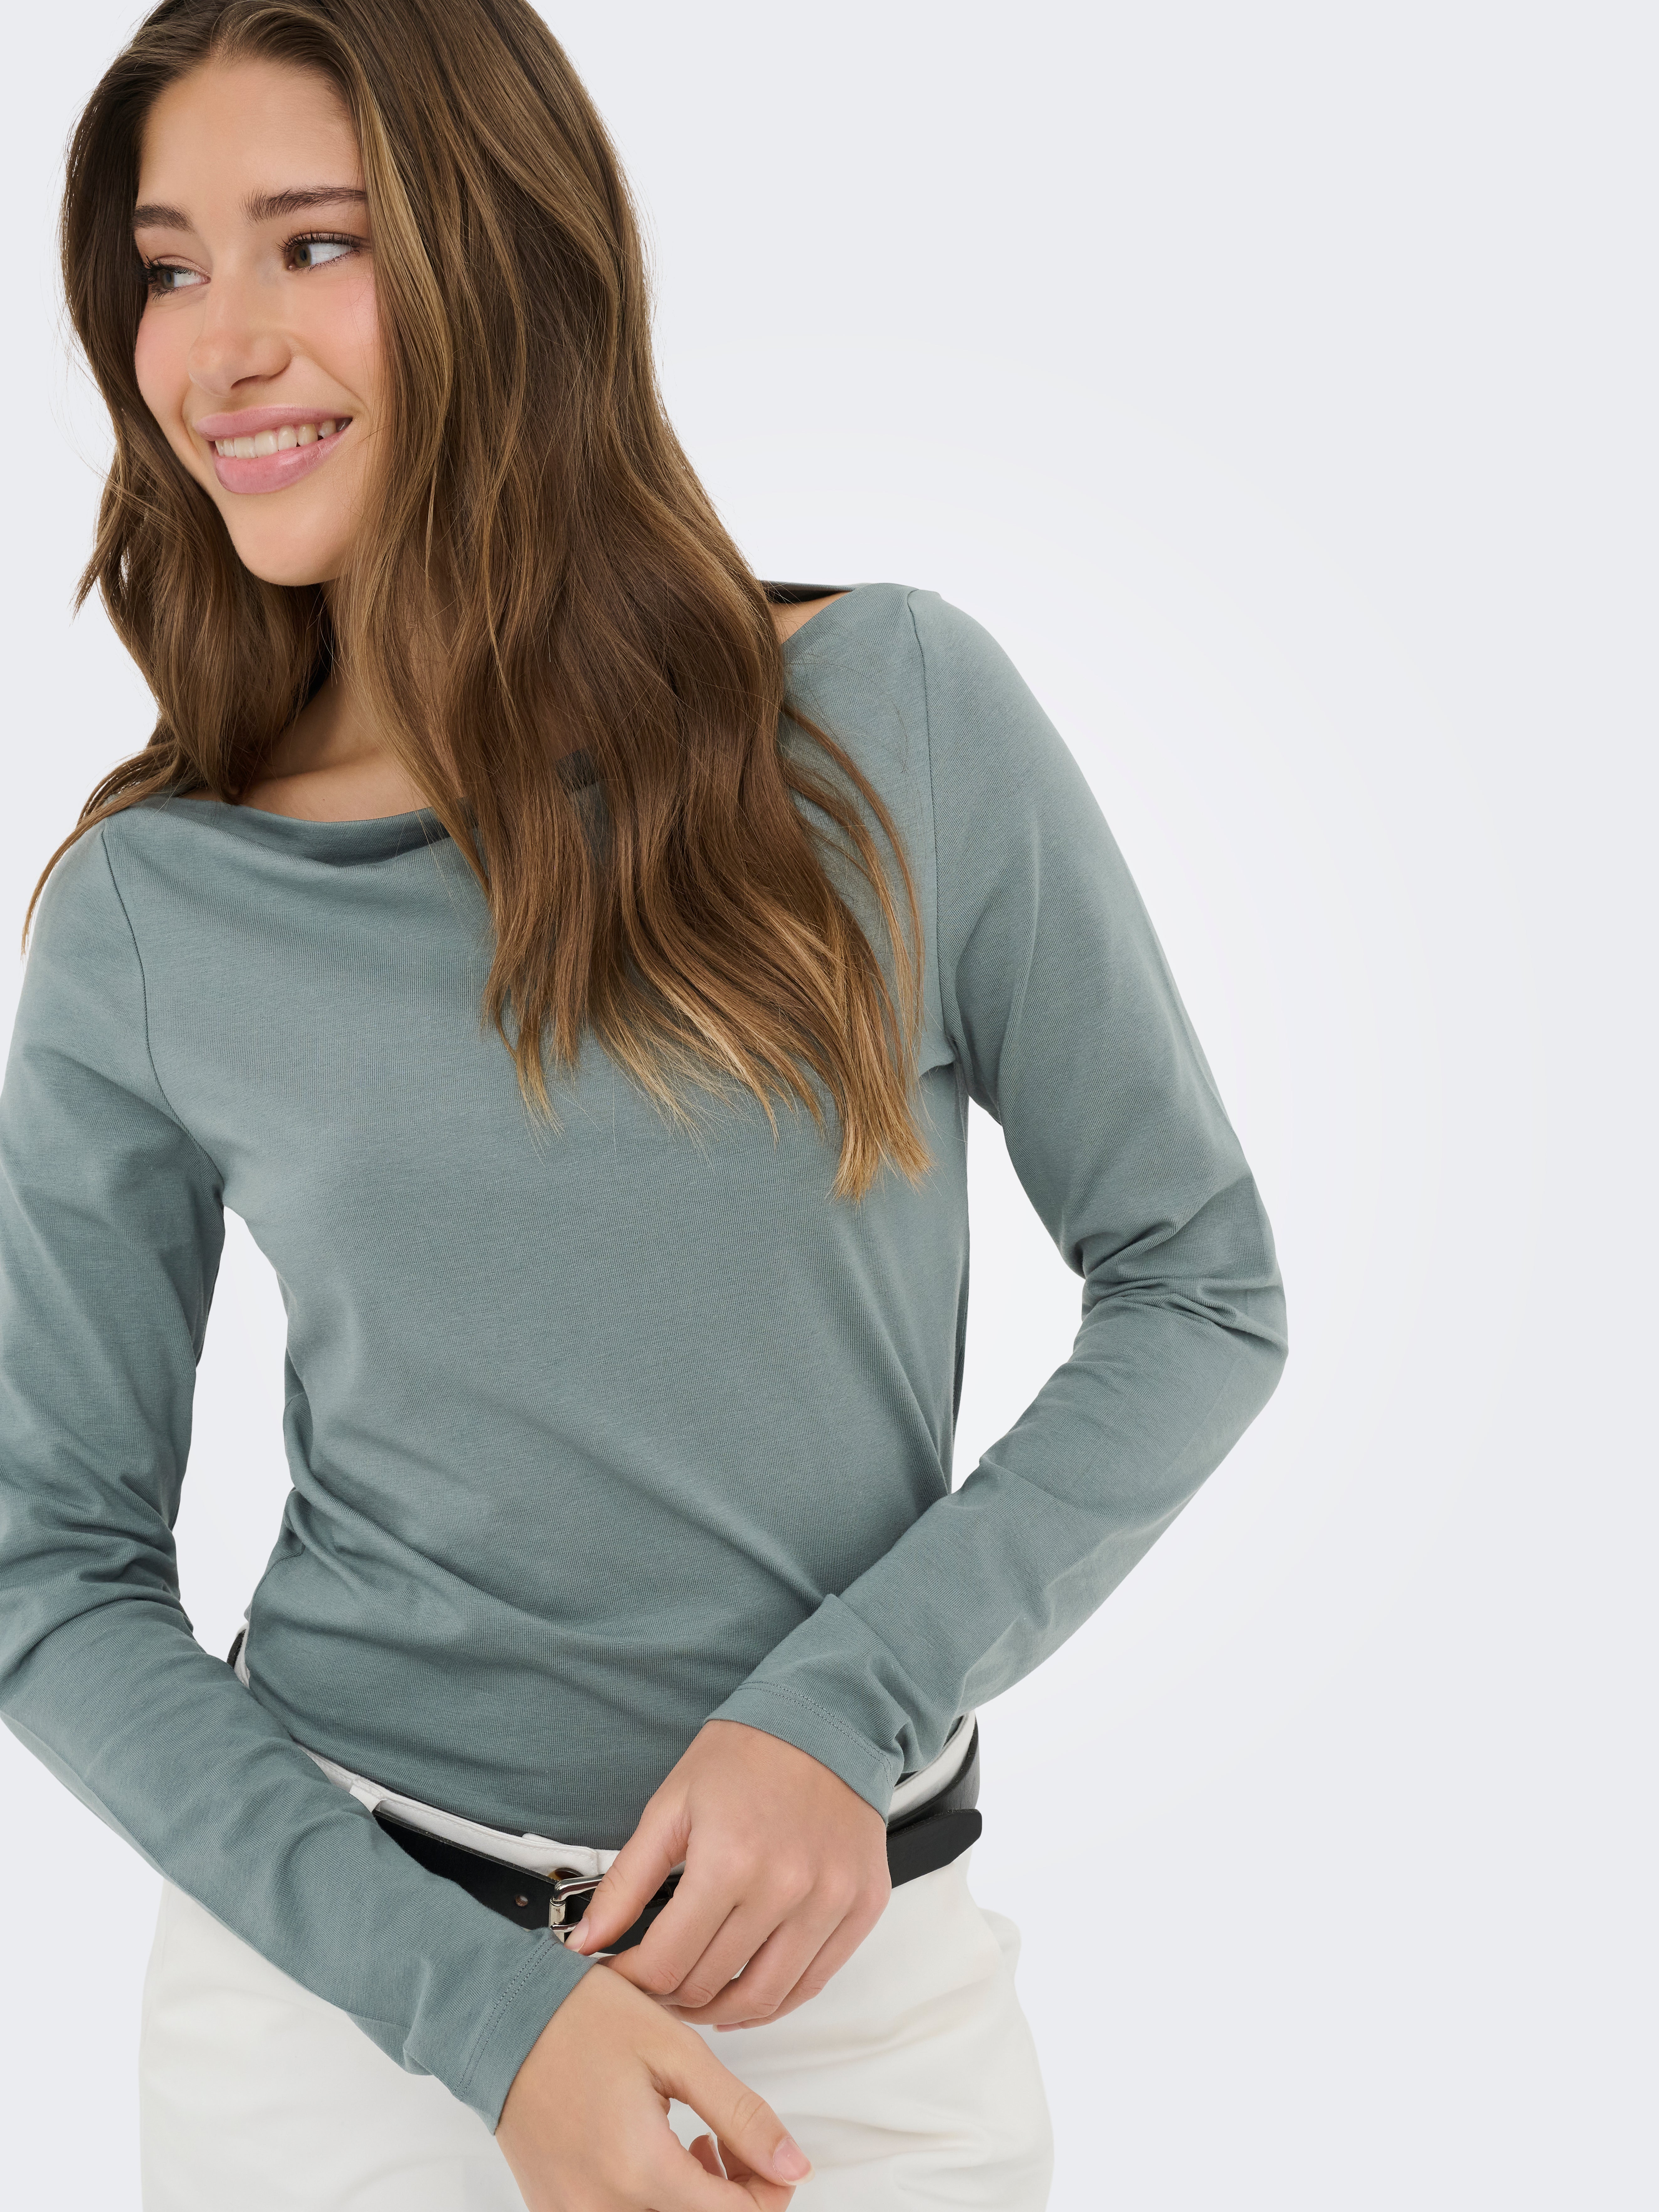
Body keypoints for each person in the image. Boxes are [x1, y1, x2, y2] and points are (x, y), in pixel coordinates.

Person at [0, 2, 1288, 2207]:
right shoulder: (155, 907)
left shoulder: (890, 717)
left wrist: (843, 1710)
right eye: (167, 267)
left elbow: (1199, 1285)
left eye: (317, 241)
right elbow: (49, 1562)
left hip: (851, 2008)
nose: (220, 345)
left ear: (511, 253)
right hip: (345, 2020)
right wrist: (488, 2019)